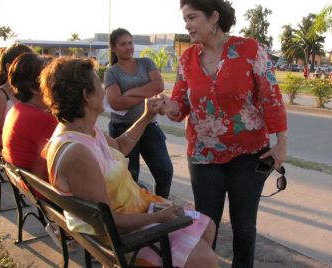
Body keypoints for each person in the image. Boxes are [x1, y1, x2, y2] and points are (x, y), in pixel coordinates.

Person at [40, 57, 217, 268]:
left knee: (208, 226)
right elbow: (109, 223)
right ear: (87, 96)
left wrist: (146, 115)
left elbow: (121, 146)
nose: (104, 89)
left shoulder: (84, 130)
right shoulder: (77, 152)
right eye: (99, 83)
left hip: (137, 214)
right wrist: (160, 217)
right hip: (125, 240)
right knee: (204, 259)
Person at [156, 0, 288, 267]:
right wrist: (167, 106)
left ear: (213, 17)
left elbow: (270, 97)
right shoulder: (187, 58)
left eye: (192, 18)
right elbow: (181, 105)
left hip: (249, 155)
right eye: (185, 19)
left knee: (244, 225)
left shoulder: (249, 49)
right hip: (204, 155)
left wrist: (281, 142)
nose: (187, 25)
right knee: (206, 225)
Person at [104, 28, 173, 198]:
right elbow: (116, 103)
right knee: (130, 176)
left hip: (149, 125)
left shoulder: (146, 62)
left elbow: (159, 86)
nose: (129, 47)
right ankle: (135, 212)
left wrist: (128, 93)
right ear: (114, 48)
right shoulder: (111, 72)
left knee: (165, 170)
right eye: (123, 44)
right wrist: (146, 96)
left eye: (130, 43)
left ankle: (162, 204)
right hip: (123, 129)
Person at [2, 53, 58, 181]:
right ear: (35, 88)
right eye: (52, 79)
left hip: (31, 187)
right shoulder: (41, 119)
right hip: (49, 193)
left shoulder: (17, 109)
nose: (57, 84)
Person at [0, 44, 32, 152]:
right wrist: (22, 129)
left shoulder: (32, 91)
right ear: (9, 67)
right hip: (14, 160)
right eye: (27, 65)